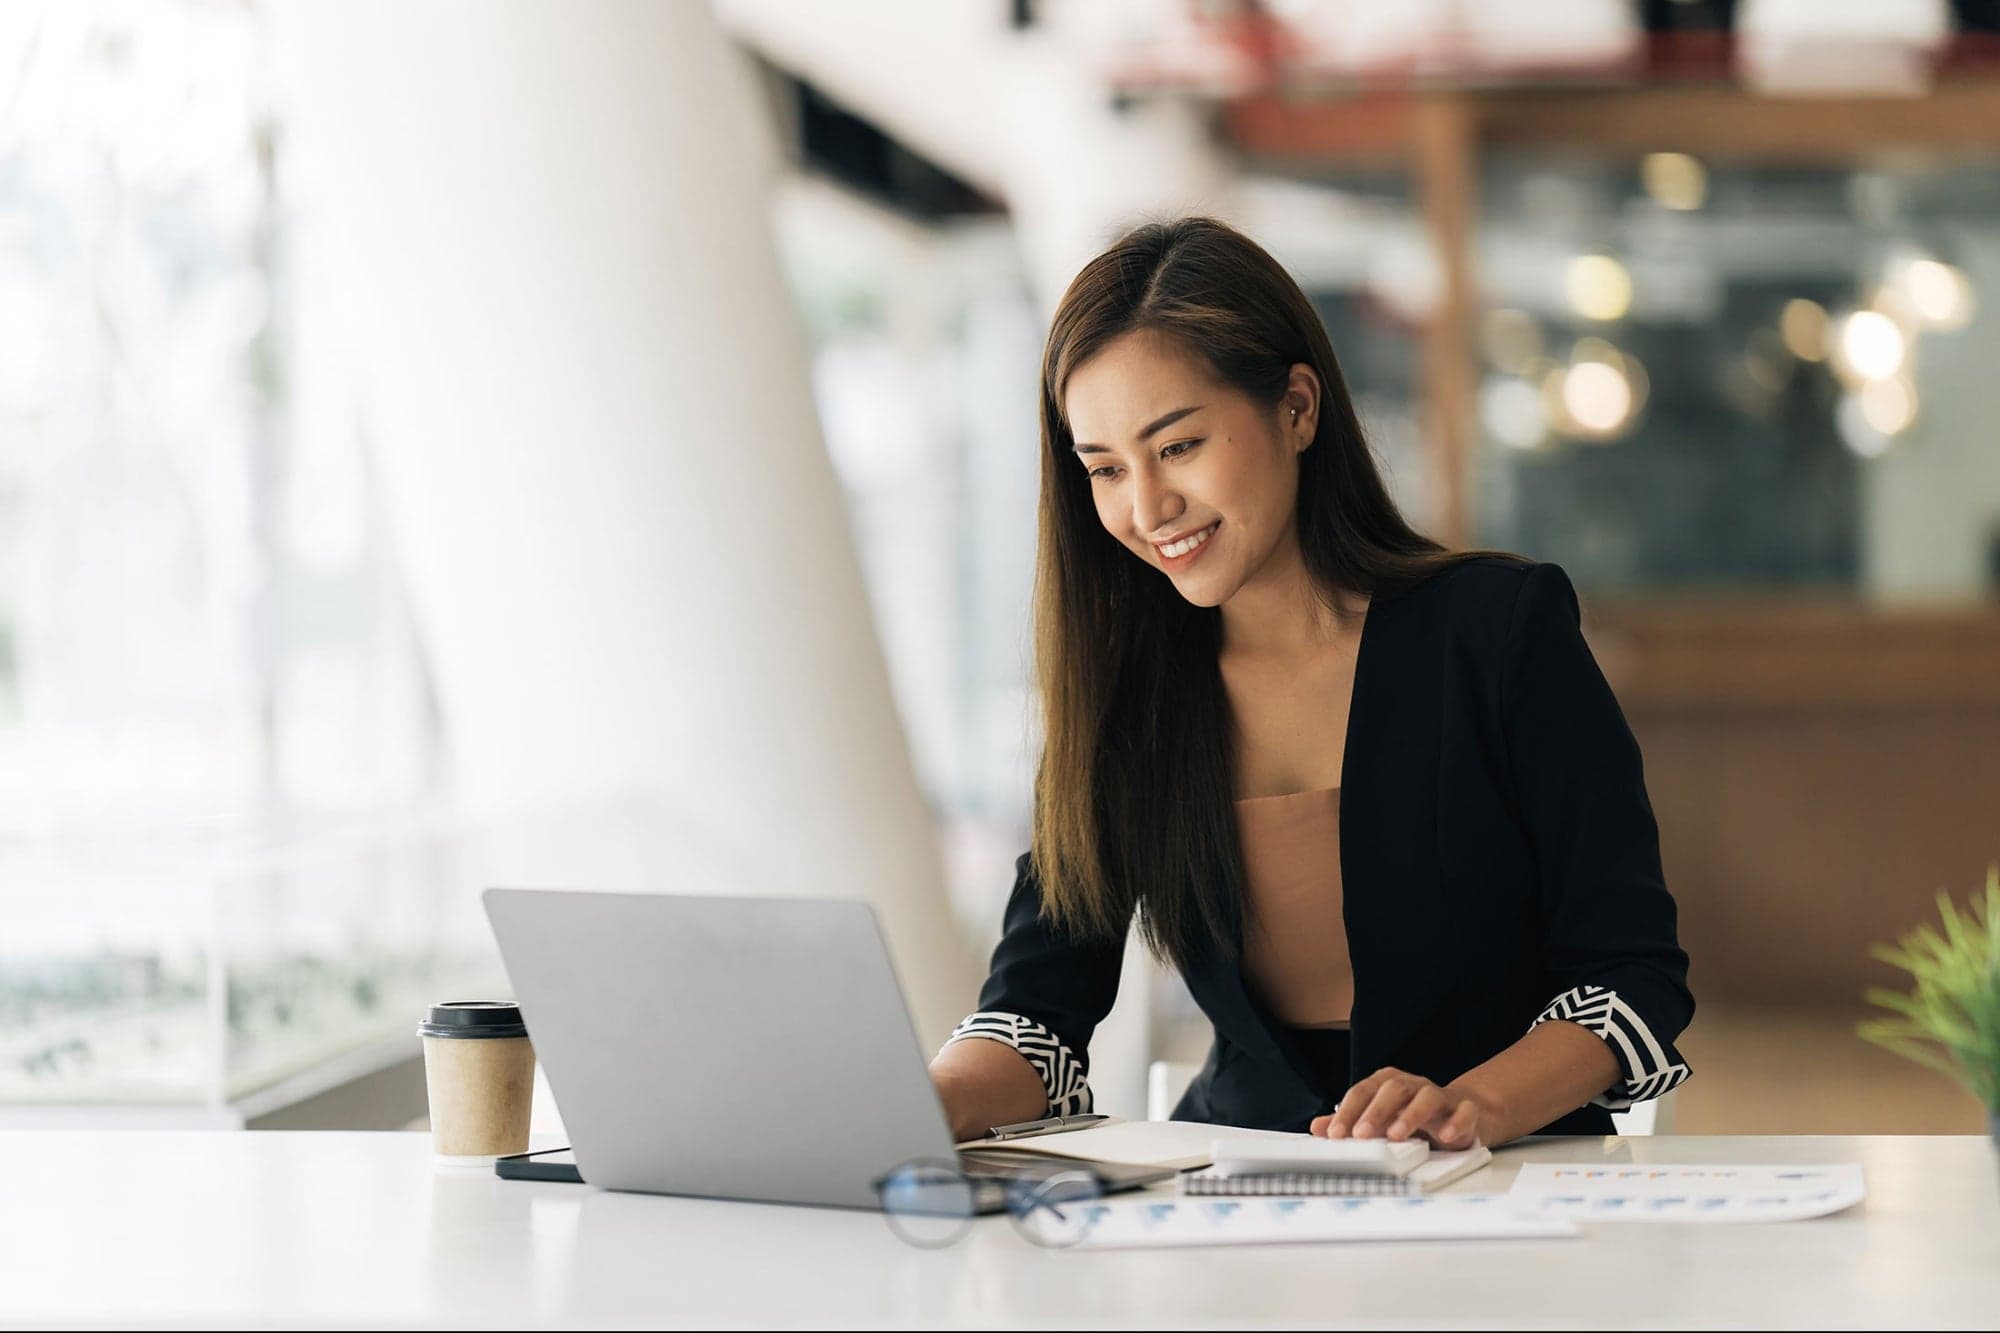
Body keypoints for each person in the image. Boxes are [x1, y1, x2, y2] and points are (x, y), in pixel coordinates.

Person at [927, 216, 1693, 1150]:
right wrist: (914, 1101)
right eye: (1105, 469)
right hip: (1238, 1191)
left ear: (1297, 407)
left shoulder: (1497, 631)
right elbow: (1035, 1016)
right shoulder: (1129, 696)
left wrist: (1475, 1104)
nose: (1145, 507)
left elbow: (1630, 974)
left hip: (1503, 1180)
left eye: (1177, 447)